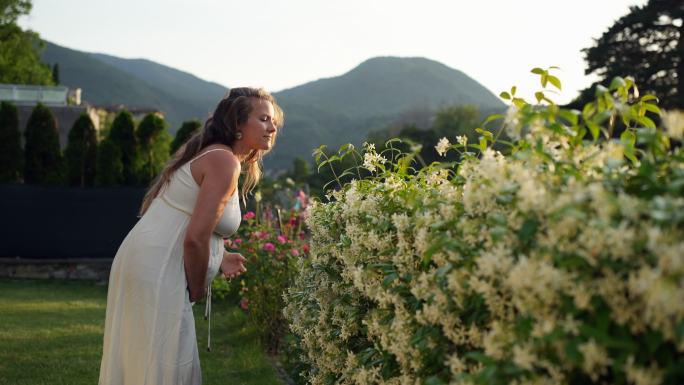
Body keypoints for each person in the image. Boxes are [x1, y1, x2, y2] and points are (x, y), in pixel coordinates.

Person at [98, 87, 283, 384]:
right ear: (238, 124)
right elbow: (194, 237)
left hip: (146, 259)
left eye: (273, 121)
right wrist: (195, 288)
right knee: (166, 367)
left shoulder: (217, 156)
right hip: (158, 268)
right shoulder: (224, 162)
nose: (272, 127)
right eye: (263, 119)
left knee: (145, 363)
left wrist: (220, 255)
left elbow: (190, 220)